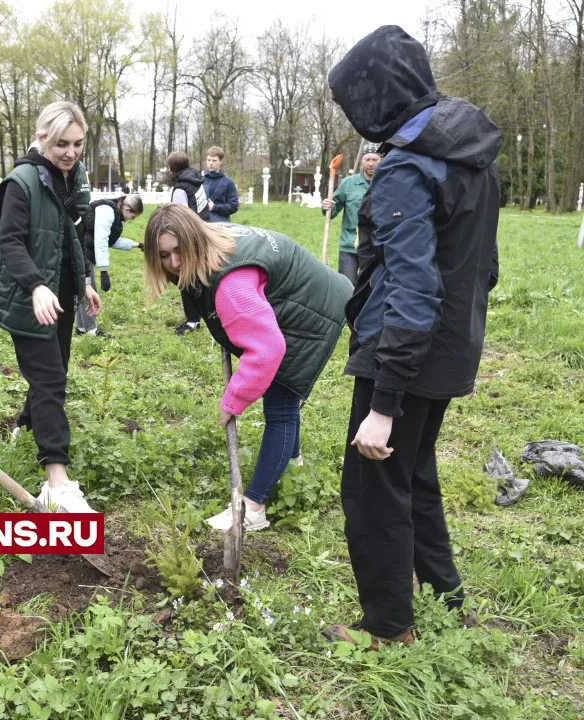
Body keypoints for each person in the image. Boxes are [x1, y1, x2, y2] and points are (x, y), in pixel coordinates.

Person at [325, 25, 502, 650]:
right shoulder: (471, 153)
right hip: (452, 349)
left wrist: (382, 403)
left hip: (403, 352)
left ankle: (387, 626)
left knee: (373, 489)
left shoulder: (406, 167)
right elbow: (486, 265)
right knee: (415, 475)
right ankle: (447, 599)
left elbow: (413, 287)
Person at [142, 204, 352, 530]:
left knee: (280, 407)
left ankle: (252, 508)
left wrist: (233, 401)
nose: (174, 263)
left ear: (194, 238)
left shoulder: (230, 284)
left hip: (310, 312)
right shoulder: (213, 239)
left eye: (179, 251)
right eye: (164, 256)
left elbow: (268, 350)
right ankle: (293, 464)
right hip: (307, 293)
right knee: (285, 398)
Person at [0, 101, 101, 513]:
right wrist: (35, 286)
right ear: (41, 138)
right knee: (51, 378)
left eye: (77, 144)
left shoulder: (69, 179)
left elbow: (72, 236)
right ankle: (57, 479)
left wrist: (85, 279)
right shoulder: (22, 182)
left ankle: (25, 423)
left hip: (61, 294)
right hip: (30, 298)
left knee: (54, 370)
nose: (70, 152)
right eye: (61, 144)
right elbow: (10, 242)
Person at [75, 194, 145, 336]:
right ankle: (91, 330)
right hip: (81, 250)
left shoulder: (115, 214)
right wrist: (104, 271)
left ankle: (82, 328)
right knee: (90, 289)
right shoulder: (106, 211)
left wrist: (136, 245)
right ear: (127, 209)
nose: (131, 220)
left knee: (83, 288)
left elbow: (111, 241)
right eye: (133, 217)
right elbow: (100, 241)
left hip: (84, 249)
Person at [167, 151, 210, 335]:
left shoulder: (180, 189)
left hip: (190, 237)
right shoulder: (196, 181)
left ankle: (193, 321)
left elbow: (180, 218)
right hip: (204, 231)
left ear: (171, 169)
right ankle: (203, 314)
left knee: (186, 279)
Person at [321, 149, 380, 284]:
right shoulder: (349, 183)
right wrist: (327, 207)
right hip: (350, 245)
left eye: (374, 160)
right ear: (361, 162)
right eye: (367, 160)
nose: (371, 164)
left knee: (371, 287)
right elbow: (332, 210)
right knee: (347, 286)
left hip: (376, 246)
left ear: (381, 161)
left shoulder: (387, 183)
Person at [202, 146, 240, 223]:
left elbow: (233, 206)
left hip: (221, 225)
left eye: (214, 160)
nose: (211, 163)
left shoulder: (228, 182)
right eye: (208, 160)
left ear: (221, 161)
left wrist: (214, 207)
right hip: (202, 224)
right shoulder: (200, 180)